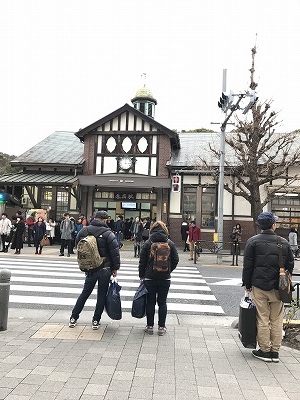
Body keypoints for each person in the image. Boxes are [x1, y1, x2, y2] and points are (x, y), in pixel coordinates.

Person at [242, 211, 294, 363]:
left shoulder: (253, 242)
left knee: (262, 318)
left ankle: (264, 350)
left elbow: (248, 266)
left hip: (259, 286)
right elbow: (290, 264)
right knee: (277, 319)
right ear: (273, 225)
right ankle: (275, 351)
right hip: (278, 288)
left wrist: (247, 284)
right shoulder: (282, 242)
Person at [69, 210, 120, 329]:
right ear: (104, 220)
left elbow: (78, 244)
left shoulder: (84, 230)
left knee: (85, 293)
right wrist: (115, 268)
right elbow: (115, 252)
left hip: (90, 268)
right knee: (101, 295)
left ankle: (74, 317)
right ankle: (96, 320)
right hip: (105, 268)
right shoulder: (108, 233)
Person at [138, 221, 179, 335]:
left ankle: (150, 326)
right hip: (165, 278)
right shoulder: (169, 243)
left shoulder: (148, 243)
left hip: (150, 278)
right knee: (162, 302)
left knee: (150, 302)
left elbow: (142, 261)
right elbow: (176, 259)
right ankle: (161, 328)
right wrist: (168, 270)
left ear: (152, 230)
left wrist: (142, 275)